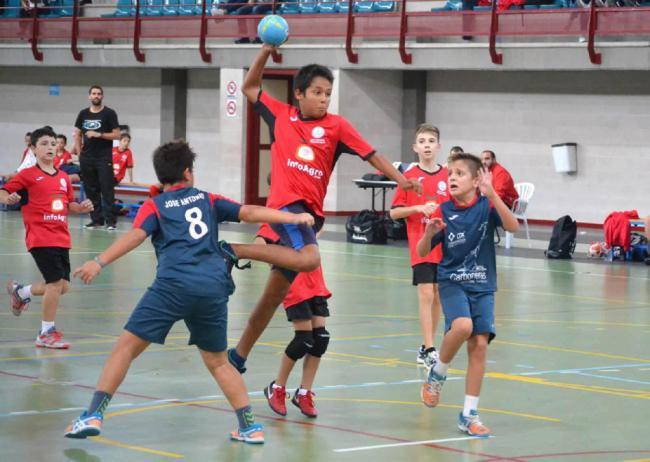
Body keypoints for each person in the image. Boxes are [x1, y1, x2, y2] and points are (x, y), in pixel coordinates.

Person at [63, 139, 322, 443]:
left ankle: (93, 414)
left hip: (173, 286)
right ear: (188, 172)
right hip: (212, 287)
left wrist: (99, 261)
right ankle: (250, 427)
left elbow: (135, 236)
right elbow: (249, 212)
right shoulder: (206, 199)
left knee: (125, 349)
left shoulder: (155, 205)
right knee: (219, 361)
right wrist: (292, 217)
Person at [227, 44, 422, 375]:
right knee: (312, 259)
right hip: (289, 209)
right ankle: (230, 249)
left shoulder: (337, 127)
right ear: (299, 94)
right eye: (317, 92)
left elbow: (371, 154)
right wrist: (265, 51)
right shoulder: (281, 115)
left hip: (309, 217)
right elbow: (249, 87)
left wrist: (401, 180)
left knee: (272, 296)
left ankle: (239, 355)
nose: (323, 99)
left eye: (328, 93)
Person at [416, 152, 518, 437]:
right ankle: (438, 371)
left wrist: (494, 194)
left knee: (480, 346)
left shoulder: (487, 207)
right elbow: (423, 252)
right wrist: (428, 233)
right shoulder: (443, 211)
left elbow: (513, 226)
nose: (452, 178)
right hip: (453, 281)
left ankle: (469, 414)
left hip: (483, 283)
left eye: (459, 173)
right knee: (462, 326)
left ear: (476, 180)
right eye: (450, 174)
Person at [0, 126, 94, 349]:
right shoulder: (28, 175)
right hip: (40, 237)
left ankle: (21, 292)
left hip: (61, 237)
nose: (50, 147)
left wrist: (80, 208)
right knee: (54, 283)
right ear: (33, 148)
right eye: (44, 144)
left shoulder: (63, 177)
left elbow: (67, 204)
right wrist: (8, 198)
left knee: (63, 286)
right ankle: (46, 333)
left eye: (53, 143)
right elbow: (3, 191)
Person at [257, 224, 331, 419]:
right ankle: (277, 388)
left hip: (315, 281)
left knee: (321, 339)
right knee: (303, 340)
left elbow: (316, 232)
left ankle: (304, 393)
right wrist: (277, 263)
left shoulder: (304, 216)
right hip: (294, 286)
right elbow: (259, 243)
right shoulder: (276, 220)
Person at [390, 124, 448, 367]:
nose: (427, 145)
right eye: (422, 141)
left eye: (431, 140)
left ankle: (426, 346)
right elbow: (394, 213)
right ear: (415, 147)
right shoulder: (409, 178)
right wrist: (417, 208)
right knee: (425, 292)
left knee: (436, 295)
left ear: (438, 146)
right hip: (421, 245)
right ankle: (431, 348)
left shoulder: (448, 176)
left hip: (445, 246)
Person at [73, 85, 121, 230]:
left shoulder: (109, 113)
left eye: (99, 94)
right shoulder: (83, 113)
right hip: (87, 158)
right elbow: (77, 133)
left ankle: (110, 221)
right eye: (93, 93)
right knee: (91, 190)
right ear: (89, 96)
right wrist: (79, 152)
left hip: (103, 158)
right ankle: (96, 220)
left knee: (107, 189)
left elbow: (117, 134)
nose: (96, 96)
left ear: (102, 96)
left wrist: (99, 134)